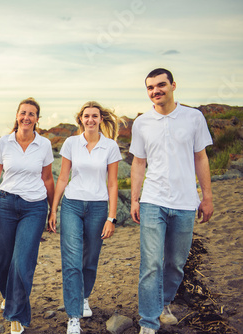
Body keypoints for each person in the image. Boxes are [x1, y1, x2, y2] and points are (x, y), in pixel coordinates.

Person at [130, 68, 214, 334]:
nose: (156, 91)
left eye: (161, 85)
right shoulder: (142, 122)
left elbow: (200, 157)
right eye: (150, 87)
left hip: (186, 202)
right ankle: (148, 322)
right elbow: (138, 163)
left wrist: (207, 197)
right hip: (153, 200)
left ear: (173, 85)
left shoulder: (193, 117)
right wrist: (134, 199)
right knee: (151, 263)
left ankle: (163, 303)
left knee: (175, 263)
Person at [0, 97, 55, 334]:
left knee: (22, 260)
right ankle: (9, 296)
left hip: (34, 207)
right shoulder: (4, 143)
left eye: (32, 114)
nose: (26, 117)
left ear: (37, 119)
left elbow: (47, 178)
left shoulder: (43, 145)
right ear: (17, 116)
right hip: (6, 205)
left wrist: (53, 209)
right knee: (5, 259)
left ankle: (16, 314)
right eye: (23, 113)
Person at [48, 101, 121, 334]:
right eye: (86, 116)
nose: (90, 120)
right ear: (80, 119)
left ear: (101, 119)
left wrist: (112, 217)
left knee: (90, 258)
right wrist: (54, 208)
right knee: (71, 259)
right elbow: (62, 178)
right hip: (72, 205)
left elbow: (112, 183)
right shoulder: (71, 143)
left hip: (99, 208)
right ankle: (73, 317)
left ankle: (84, 297)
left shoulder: (110, 146)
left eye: (95, 116)